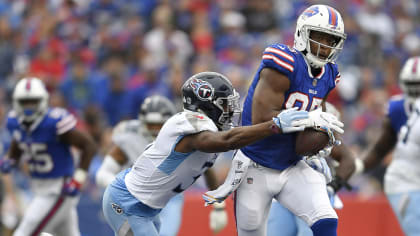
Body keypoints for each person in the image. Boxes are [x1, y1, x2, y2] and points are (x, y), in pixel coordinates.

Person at [101, 71, 340, 236]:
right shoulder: (188, 124)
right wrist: (273, 125)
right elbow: (226, 141)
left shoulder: (209, 130)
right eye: (224, 104)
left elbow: (207, 165)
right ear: (205, 103)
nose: (230, 110)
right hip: (128, 201)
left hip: (149, 206)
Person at [204, 5, 348, 236]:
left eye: (331, 40)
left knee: (326, 219)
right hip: (255, 164)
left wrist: (323, 137)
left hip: (292, 164)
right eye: (319, 37)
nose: (324, 46)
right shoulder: (283, 62)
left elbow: (317, 112)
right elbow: (263, 120)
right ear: (303, 34)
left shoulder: (329, 74)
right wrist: (308, 119)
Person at [96, 94, 228, 235]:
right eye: (150, 124)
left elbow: (206, 167)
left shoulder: (184, 137)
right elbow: (103, 173)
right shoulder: (130, 136)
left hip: (170, 199)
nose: (155, 129)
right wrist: (124, 190)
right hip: (137, 197)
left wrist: (219, 205)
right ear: (141, 122)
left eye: (159, 125)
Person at [0, 77, 97, 236]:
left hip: (58, 189)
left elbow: (89, 146)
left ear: (43, 101)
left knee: (25, 231)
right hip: (39, 187)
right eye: (24, 102)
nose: (28, 107)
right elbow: (19, 140)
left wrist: (78, 179)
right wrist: (11, 158)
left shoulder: (53, 122)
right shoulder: (14, 122)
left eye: (33, 102)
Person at [266, 102, 357, 236]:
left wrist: (332, 187)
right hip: (281, 187)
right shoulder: (281, 111)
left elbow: (348, 159)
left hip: (313, 189)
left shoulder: (317, 113)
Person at [359, 56, 420, 236]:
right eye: (412, 84)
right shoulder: (397, 107)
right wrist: (358, 167)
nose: (415, 91)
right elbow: (380, 148)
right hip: (406, 180)